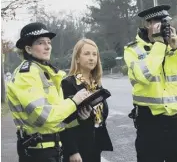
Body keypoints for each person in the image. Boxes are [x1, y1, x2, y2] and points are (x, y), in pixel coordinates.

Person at [124, 5, 177, 162]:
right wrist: (159, 45)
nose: (164, 27)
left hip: (176, 123)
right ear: (147, 25)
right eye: (158, 23)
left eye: (166, 23)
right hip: (148, 123)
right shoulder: (134, 50)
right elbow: (144, 75)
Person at [7, 22, 90, 162]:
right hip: (37, 152)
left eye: (49, 42)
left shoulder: (47, 73)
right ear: (28, 48)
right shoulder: (26, 75)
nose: (47, 47)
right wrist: (74, 102)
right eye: (40, 43)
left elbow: (58, 117)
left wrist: (79, 115)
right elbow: (43, 116)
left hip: (53, 148)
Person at [60, 38, 113, 162]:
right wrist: (72, 151)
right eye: (87, 54)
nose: (91, 58)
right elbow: (64, 122)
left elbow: (102, 113)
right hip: (78, 147)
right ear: (77, 58)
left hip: (95, 144)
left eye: (94, 54)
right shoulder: (68, 83)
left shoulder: (96, 83)